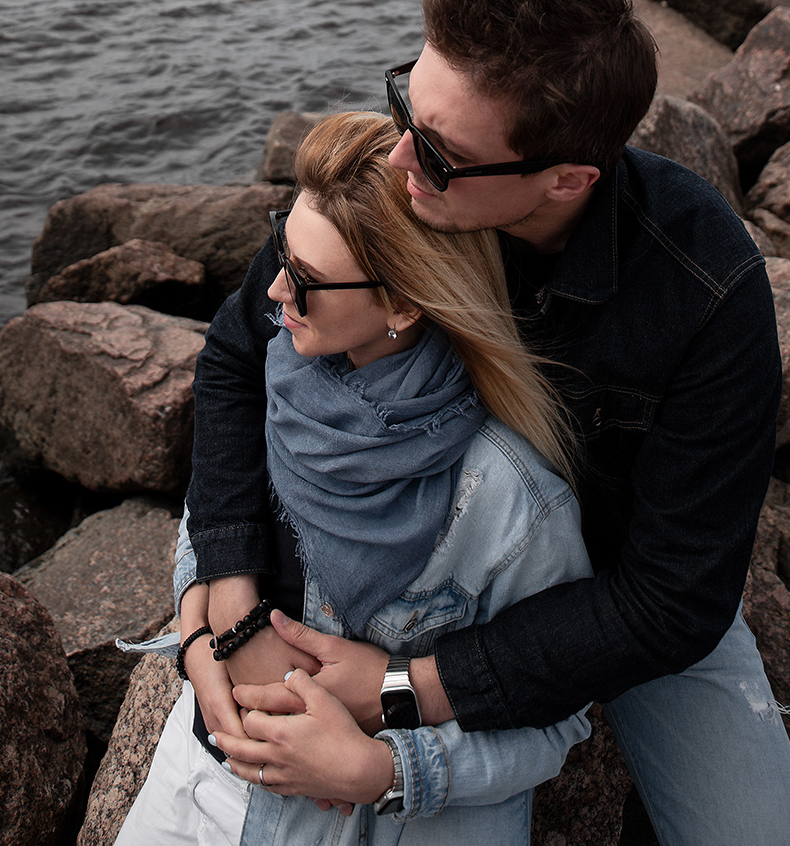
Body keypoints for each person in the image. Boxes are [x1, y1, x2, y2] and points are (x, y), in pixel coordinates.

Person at [183, 0, 790, 846]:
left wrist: (404, 688)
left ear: (566, 181)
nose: (401, 154)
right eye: (407, 100)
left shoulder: (702, 288)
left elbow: (673, 601)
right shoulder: (395, 184)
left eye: (442, 153)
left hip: (609, 595)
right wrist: (224, 587)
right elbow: (233, 353)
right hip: (425, 573)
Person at [117, 109, 594, 844]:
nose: (275, 294)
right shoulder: (273, 376)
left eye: (307, 280)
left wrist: (385, 770)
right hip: (206, 791)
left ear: (405, 303)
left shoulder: (510, 498)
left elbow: (558, 717)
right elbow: (206, 515)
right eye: (281, 255)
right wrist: (199, 636)